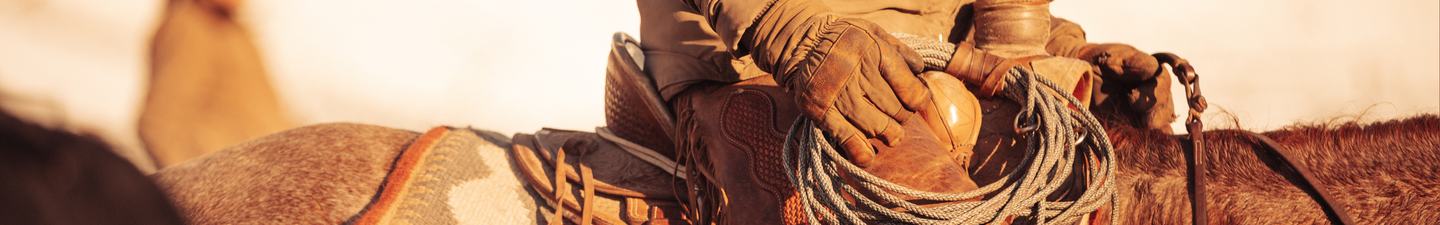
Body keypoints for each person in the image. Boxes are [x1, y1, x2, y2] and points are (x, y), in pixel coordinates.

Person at [630, 0, 1174, 223]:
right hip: (766, 57)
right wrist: (783, 23)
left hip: (936, 65)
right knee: (934, 212)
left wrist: (1069, 53)